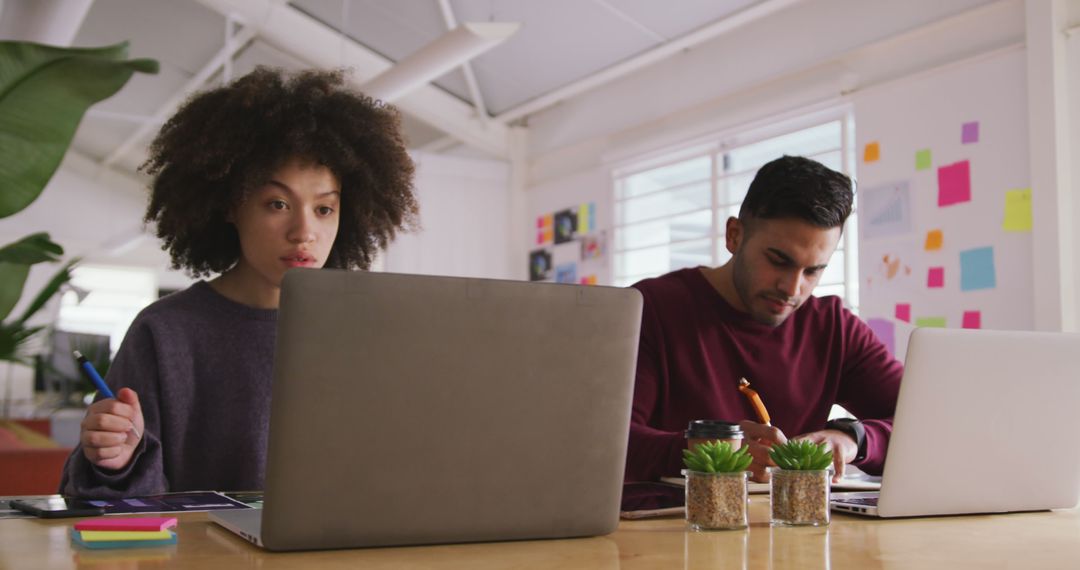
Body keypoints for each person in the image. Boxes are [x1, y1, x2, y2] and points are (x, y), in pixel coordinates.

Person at [60, 67, 419, 497]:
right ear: (231, 205)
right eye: (278, 203)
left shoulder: (368, 333)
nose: (304, 231)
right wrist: (116, 461)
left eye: (324, 209)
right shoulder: (165, 334)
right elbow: (118, 507)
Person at [625, 155, 902, 484]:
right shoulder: (649, 310)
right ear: (734, 236)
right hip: (669, 531)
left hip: (798, 529)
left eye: (813, 271)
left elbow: (925, 422)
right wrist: (704, 452)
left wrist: (853, 438)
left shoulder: (835, 328)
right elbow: (603, 443)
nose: (792, 288)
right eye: (778, 261)